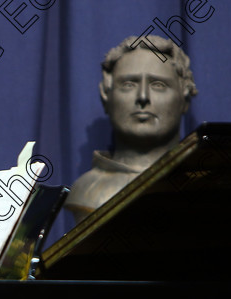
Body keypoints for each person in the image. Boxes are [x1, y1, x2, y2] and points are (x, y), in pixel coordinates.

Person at [64, 35, 198, 222]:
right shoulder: (86, 191)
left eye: (158, 85)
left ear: (184, 96)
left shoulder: (203, 186)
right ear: (106, 95)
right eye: (129, 84)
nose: (143, 96)